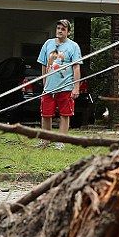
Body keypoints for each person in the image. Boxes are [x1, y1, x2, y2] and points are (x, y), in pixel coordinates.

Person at [37, 19, 82, 149]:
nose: (60, 31)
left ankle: (60, 141)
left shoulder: (73, 46)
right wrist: (44, 81)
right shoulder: (48, 43)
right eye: (58, 28)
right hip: (49, 88)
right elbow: (44, 64)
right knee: (45, 114)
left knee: (65, 114)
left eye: (63, 29)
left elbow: (76, 67)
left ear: (68, 32)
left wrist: (76, 87)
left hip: (66, 86)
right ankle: (45, 140)